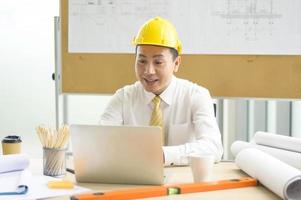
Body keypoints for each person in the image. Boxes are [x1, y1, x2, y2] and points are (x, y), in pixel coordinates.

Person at [100, 16, 223, 166]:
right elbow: (100, 143)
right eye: (142, 61)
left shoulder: (196, 96)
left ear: (176, 63)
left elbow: (213, 148)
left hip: (184, 183)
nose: (149, 71)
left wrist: (163, 155)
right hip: (135, 181)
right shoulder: (123, 97)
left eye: (158, 62)